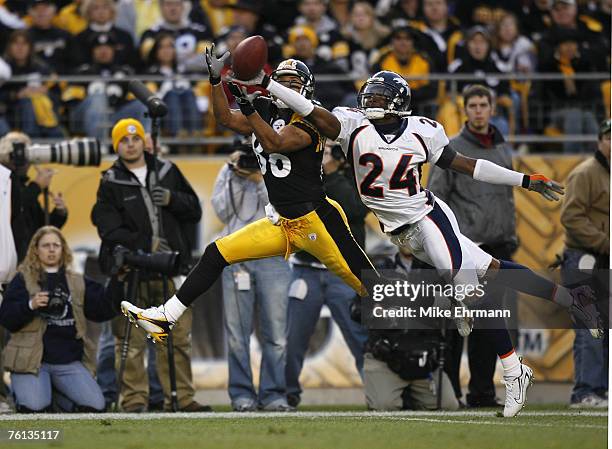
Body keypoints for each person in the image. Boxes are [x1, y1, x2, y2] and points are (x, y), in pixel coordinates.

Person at [246, 66, 604, 417]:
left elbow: (469, 165)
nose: (371, 100)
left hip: (428, 219)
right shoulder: (352, 124)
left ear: (399, 102)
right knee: (495, 271)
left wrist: (524, 180)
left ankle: (513, 372)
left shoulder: (422, 130)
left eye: (380, 97)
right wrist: (267, 86)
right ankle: (573, 298)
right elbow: (308, 109)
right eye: (369, 94)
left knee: (473, 292)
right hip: (401, 231)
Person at [120, 52, 377, 383]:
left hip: (316, 220)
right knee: (217, 252)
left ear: (306, 91)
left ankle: (422, 334)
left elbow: (274, 143)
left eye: (292, 85)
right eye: (281, 83)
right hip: (284, 223)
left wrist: (252, 110)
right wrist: (216, 82)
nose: (285, 90)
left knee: (371, 287)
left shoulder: (310, 122)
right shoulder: (266, 110)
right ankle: (165, 317)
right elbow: (225, 118)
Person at [91, 118, 208, 413]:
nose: (130, 144)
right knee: (130, 342)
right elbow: (108, 229)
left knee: (177, 339)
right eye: (123, 140)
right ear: (116, 146)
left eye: (135, 138)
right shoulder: (110, 181)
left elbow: (194, 210)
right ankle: (134, 400)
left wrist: (172, 199)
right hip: (132, 272)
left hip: (169, 270)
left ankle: (181, 398)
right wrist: (144, 244)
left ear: (144, 141)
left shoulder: (167, 171)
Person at [428, 84, 517, 407]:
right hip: (464, 251)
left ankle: (482, 392)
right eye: (473, 105)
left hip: (498, 246)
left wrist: (511, 235)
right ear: (465, 110)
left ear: (492, 108)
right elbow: (433, 198)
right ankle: (451, 394)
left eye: (484, 105)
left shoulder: (503, 147)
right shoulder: (450, 149)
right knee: (454, 326)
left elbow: (506, 198)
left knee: (490, 324)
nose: (479, 110)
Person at [0, 226, 121, 412]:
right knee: (34, 407)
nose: (51, 249)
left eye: (56, 245)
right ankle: (27, 393)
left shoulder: (77, 281)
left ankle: (55, 394)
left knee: (95, 406)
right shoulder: (23, 279)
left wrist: (117, 278)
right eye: (45, 245)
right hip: (32, 361)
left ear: (63, 249)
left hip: (67, 362)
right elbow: (7, 318)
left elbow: (104, 308)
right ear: (36, 250)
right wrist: (30, 305)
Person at [285, 142, 369, 408]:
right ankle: (286, 394)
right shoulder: (301, 177)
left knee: (359, 337)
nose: (323, 155)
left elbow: (357, 209)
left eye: (330, 150)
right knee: (293, 339)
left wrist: (331, 175)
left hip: (343, 273)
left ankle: (377, 391)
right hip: (306, 269)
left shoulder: (352, 180)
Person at [211, 146, 292, 412]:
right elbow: (222, 211)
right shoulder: (229, 169)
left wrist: (260, 180)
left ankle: (274, 395)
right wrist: (237, 177)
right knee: (237, 335)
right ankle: (242, 395)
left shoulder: (279, 166)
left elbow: (286, 210)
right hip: (236, 257)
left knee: (277, 335)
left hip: (274, 257)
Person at [363, 247, 459, 411]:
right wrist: (377, 310)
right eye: (401, 235)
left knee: (448, 406)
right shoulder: (379, 270)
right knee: (384, 405)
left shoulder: (437, 272)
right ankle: (400, 394)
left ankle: (412, 395)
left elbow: (452, 309)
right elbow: (357, 310)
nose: (406, 241)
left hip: (424, 358)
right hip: (387, 357)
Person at [561, 119, 610, 408]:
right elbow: (571, 217)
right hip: (583, 257)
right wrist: (606, 242)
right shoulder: (585, 173)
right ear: (600, 141)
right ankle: (584, 392)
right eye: (609, 138)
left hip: (603, 258)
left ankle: (599, 390)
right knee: (589, 325)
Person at [0, 132, 68, 263]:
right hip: (9, 258)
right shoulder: (4, 182)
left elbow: (42, 227)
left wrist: (59, 212)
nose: (28, 161)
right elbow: (14, 207)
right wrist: (36, 186)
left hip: (28, 260)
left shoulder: (25, 187)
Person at [65, 32, 147, 140]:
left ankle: (150, 143)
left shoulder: (125, 72)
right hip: (86, 117)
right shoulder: (82, 72)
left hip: (115, 116)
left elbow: (133, 97)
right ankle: (98, 145)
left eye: (108, 48)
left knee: (143, 104)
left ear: (114, 50)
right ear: (92, 51)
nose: (103, 51)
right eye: (99, 48)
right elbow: (71, 102)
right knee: (98, 96)